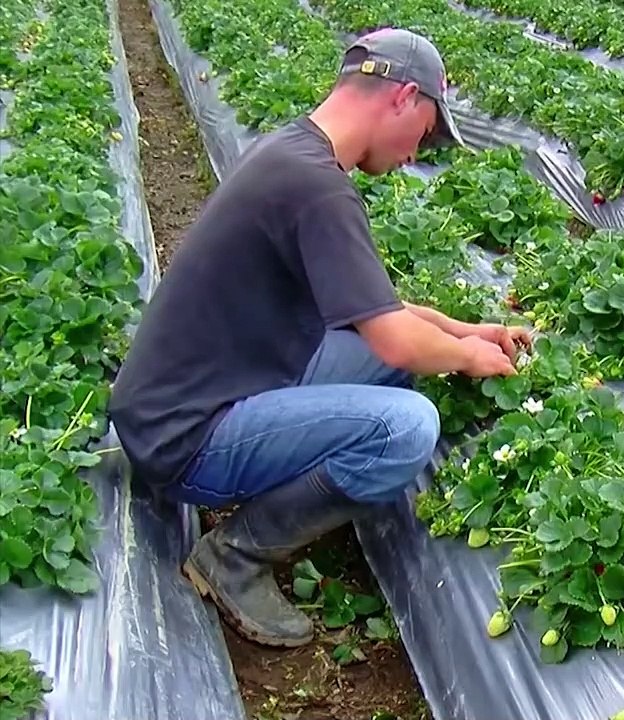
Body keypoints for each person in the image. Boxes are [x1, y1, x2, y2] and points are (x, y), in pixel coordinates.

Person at [107, 28, 530, 648]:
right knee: (406, 426)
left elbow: (380, 312)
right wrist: (471, 359)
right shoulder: (318, 187)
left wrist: (470, 329)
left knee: (383, 367)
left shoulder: (295, 154)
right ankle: (235, 557)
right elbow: (394, 339)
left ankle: (312, 496)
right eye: (428, 130)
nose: (419, 151)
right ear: (403, 97)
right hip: (187, 438)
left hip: (195, 396)